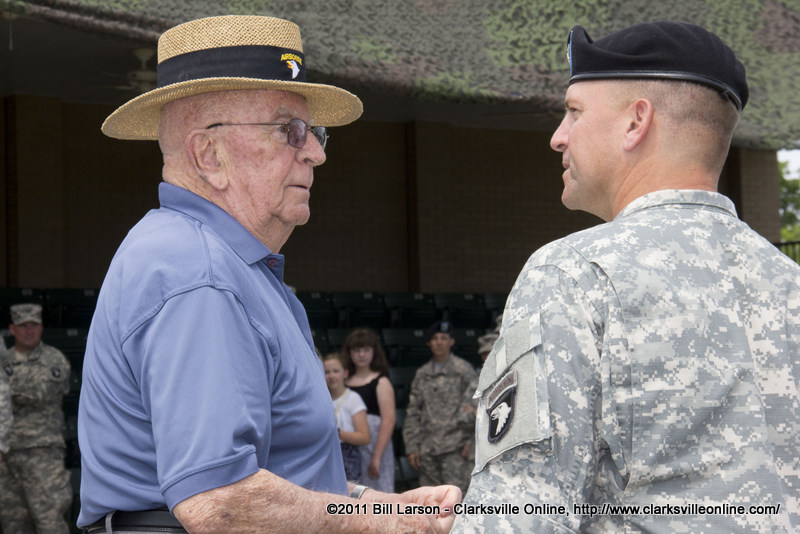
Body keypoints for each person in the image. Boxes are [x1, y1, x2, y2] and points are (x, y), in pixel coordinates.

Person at [77, 15, 459, 534]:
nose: (316, 153)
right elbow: (222, 503)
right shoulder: (199, 272)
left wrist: (381, 505)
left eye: (315, 133)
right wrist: (382, 523)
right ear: (208, 154)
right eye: (290, 130)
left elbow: (280, 470)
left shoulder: (229, 265)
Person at [454, 21, 800, 533]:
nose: (558, 137)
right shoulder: (789, 281)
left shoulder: (573, 274)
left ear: (637, 121)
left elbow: (517, 517)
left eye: (574, 112)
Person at [0, 303, 72, 534]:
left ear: (41, 328)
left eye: (34, 325)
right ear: (12, 329)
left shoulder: (53, 359)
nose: (29, 330)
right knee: (13, 524)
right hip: (7, 455)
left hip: (42, 452)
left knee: (50, 522)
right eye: (23, 325)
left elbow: (41, 393)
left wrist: (6, 387)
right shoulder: (5, 360)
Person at [403, 321, 477, 495]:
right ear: (429, 343)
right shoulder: (422, 374)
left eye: (444, 338)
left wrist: (471, 443)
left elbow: (475, 409)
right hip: (428, 449)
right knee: (430, 501)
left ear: (451, 341)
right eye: (435, 338)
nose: (439, 342)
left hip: (456, 450)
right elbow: (413, 412)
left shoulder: (463, 370)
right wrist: (412, 447)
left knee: (457, 500)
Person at [342, 328, 396, 492]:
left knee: (377, 491)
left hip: (375, 445)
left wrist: (377, 456)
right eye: (356, 350)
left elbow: (389, 420)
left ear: (374, 352)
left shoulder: (381, 381)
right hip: (349, 446)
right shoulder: (343, 382)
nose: (361, 355)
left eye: (366, 350)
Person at [323, 352, 370, 480]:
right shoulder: (321, 399)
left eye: (336, 371)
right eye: (327, 372)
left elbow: (364, 437)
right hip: (326, 453)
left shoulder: (353, 399)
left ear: (345, 373)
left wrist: (337, 433)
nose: (331, 376)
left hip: (348, 456)